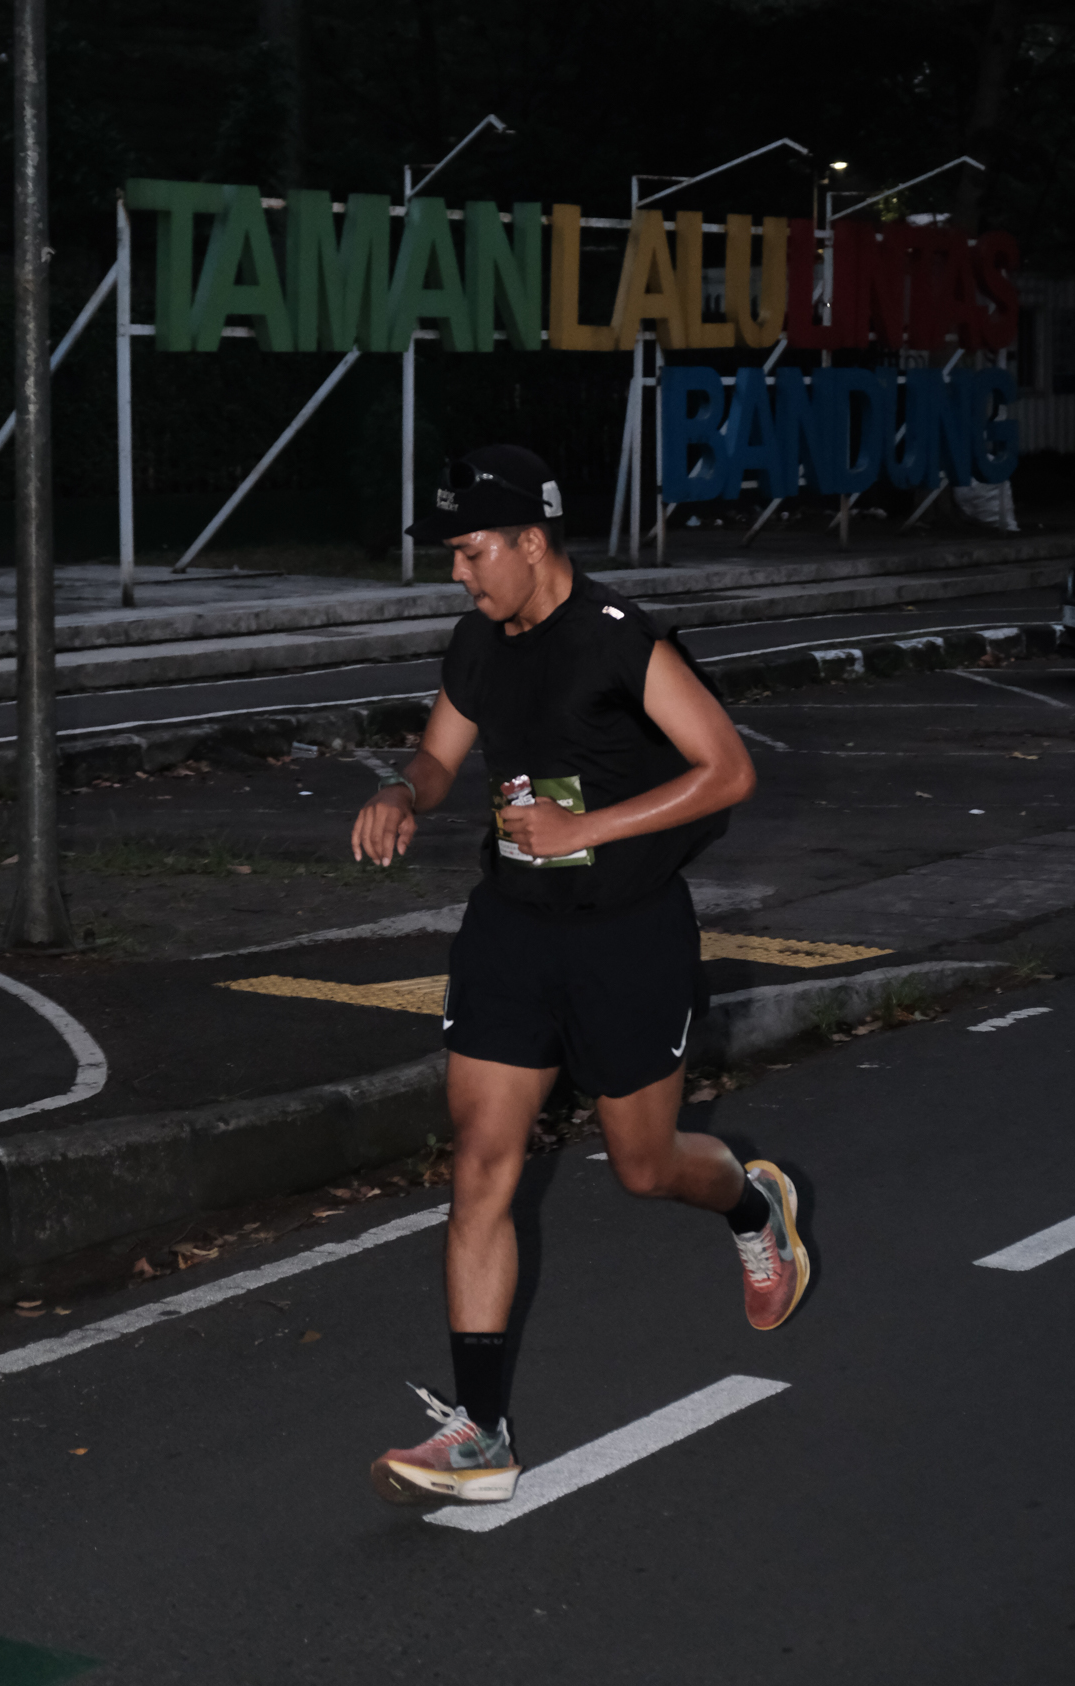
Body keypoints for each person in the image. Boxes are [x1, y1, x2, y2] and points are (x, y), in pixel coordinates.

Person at [351, 444, 810, 1506]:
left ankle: (753, 1206)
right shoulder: (478, 641)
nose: (457, 572)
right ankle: (480, 1434)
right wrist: (401, 792)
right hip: (512, 928)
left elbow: (728, 769)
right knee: (481, 1159)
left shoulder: (619, 640)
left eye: (471, 551)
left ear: (530, 540)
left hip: (626, 934)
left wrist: (582, 830)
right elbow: (438, 756)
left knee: (643, 1167)